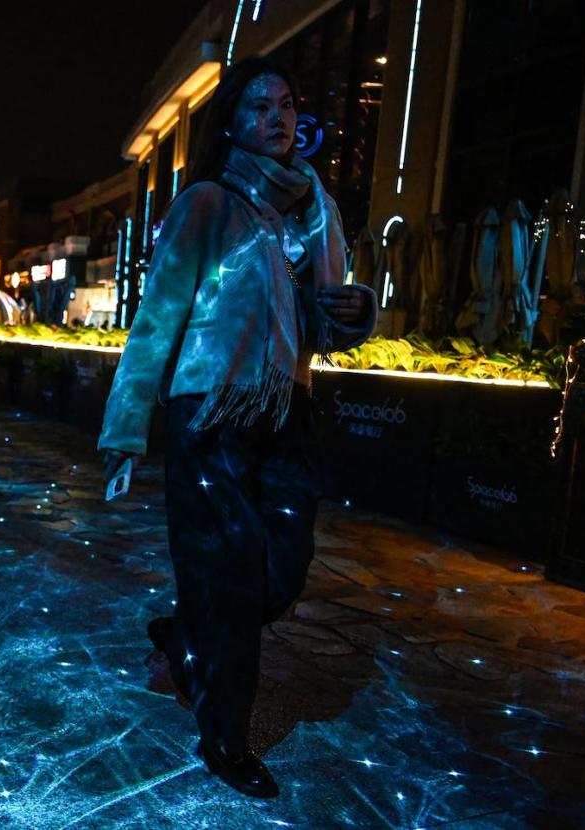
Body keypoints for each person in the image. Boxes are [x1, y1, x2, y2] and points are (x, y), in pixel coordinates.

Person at [98, 56, 376, 800]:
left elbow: (329, 322)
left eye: (286, 103)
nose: (276, 118)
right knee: (228, 573)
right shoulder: (208, 203)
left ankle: (186, 639)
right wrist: (126, 430)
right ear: (235, 120)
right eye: (258, 107)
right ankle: (225, 737)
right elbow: (156, 321)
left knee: (280, 571)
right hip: (210, 413)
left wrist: (354, 314)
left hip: (288, 410)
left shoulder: (315, 204)